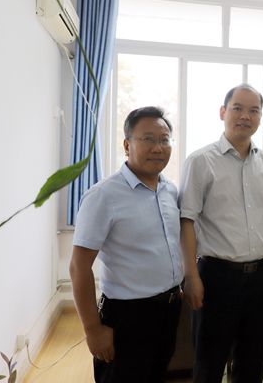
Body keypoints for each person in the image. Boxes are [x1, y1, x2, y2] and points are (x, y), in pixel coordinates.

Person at [178, 83, 263, 383]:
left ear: (260, 117)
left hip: (260, 275)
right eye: (238, 108)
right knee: (209, 362)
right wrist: (191, 276)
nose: (245, 116)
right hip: (217, 276)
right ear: (222, 112)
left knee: (252, 362)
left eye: (254, 110)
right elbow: (186, 221)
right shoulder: (200, 161)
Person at [69, 106, 184, 383]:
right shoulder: (103, 195)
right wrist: (93, 329)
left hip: (169, 308)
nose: (158, 147)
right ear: (127, 145)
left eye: (164, 139)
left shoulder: (170, 191)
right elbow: (78, 267)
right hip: (128, 315)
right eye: (148, 139)